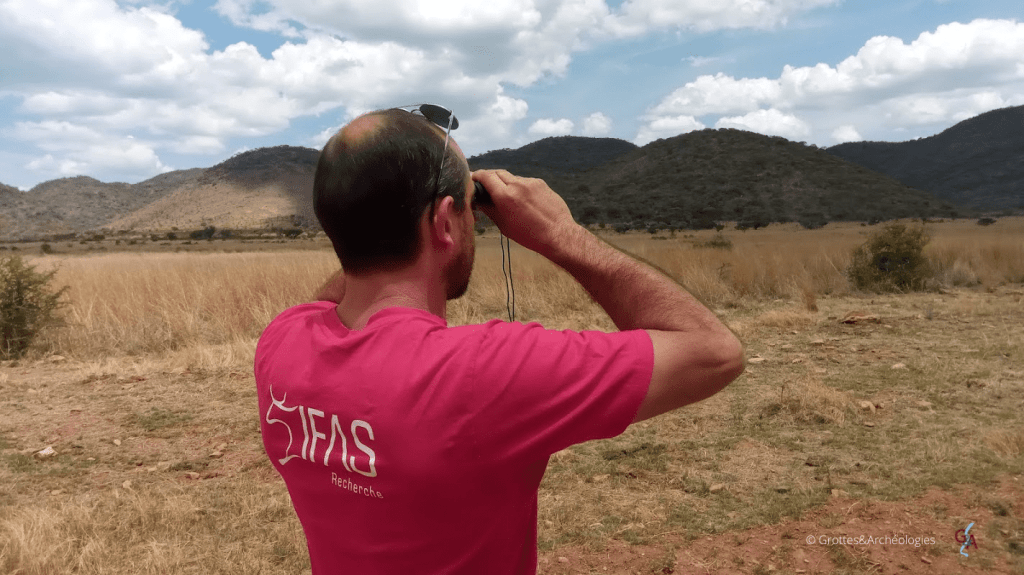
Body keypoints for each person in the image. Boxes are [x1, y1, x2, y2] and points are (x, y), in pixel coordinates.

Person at [254, 105, 745, 575]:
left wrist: (379, 210)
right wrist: (559, 233)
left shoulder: (283, 343)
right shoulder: (483, 373)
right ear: (444, 221)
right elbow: (714, 352)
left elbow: (351, 279)